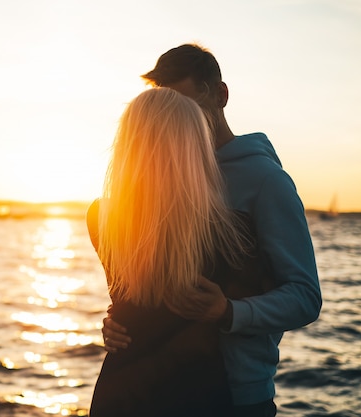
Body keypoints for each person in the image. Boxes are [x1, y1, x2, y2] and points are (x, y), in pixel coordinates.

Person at [101, 43, 322, 417]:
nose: (178, 121)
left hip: (239, 393)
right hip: (166, 386)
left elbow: (304, 296)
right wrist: (121, 317)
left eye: (189, 107)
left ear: (220, 95)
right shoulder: (161, 177)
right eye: (168, 108)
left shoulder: (265, 181)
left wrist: (229, 312)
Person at [88, 86, 255, 416]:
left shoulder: (102, 217)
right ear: (194, 146)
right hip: (197, 392)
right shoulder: (235, 231)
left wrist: (111, 321)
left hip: (120, 391)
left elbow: (130, 300)